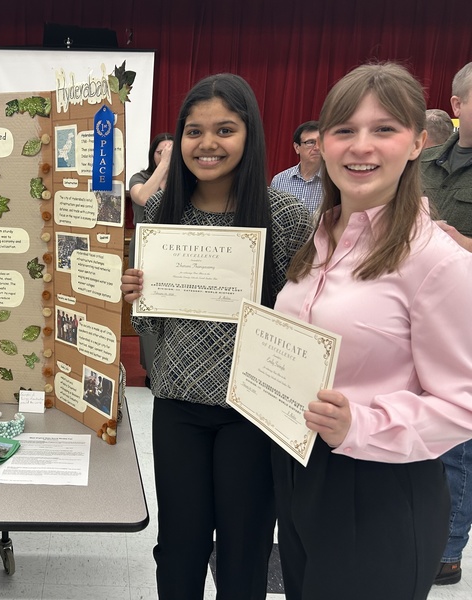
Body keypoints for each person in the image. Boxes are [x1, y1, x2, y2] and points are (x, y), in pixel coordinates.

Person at [273, 62, 472, 600]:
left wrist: (360, 425)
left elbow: (463, 405)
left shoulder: (437, 261)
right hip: (301, 468)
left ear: (418, 143)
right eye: (344, 129)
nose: (361, 146)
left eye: (384, 129)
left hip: (379, 486)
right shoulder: (321, 236)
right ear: (322, 143)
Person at [121, 74, 311, 599]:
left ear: (250, 135)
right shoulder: (162, 210)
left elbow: (303, 317)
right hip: (178, 403)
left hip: (252, 410)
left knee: (245, 549)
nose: (208, 144)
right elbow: (150, 325)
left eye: (225, 130)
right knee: (178, 546)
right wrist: (138, 296)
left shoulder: (286, 217)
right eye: (194, 131)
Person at [421, 61, 472, 586]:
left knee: (458, 444)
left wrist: (461, 245)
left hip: (467, 322)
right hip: (417, 313)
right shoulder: (423, 161)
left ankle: (448, 549)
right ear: (457, 105)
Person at [128, 132, 173, 386]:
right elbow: (144, 198)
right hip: (145, 246)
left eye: (171, 151)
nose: (166, 155)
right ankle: (152, 371)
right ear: (152, 154)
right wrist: (164, 165)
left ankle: (171, 367)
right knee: (146, 306)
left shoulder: (186, 179)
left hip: (175, 247)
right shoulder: (140, 178)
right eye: (161, 151)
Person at [271, 121, 323, 213]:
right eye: (310, 142)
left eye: (321, 142)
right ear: (297, 147)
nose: (317, 147)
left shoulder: (333, 181)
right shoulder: (279, 180)